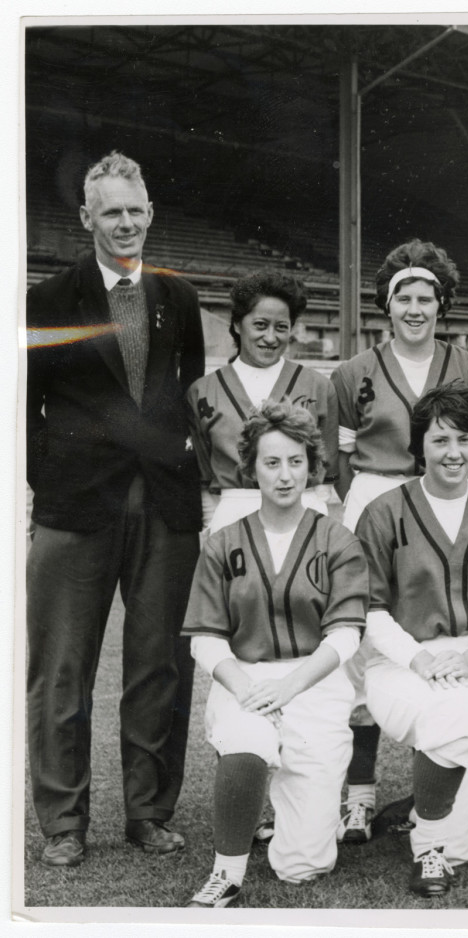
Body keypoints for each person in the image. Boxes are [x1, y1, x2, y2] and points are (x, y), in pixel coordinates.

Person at [25, 151, 203, 867]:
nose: (125, 223)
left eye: (136, 210)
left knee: (159, 665)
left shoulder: (180, 298)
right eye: (111, 212)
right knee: (62, 669)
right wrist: (53, 475)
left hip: (164, 506)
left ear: (150, 213)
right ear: (86, 219)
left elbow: (188, 394)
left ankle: (149, 813)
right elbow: (22, 407)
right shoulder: (47, 300)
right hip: (75, 509)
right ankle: (64, 823)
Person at [181, 402, 366, 907]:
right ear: (251, 468)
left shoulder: (338, 539)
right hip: (246, 677)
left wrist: (289, 688)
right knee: (246, 735)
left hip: (316, 683)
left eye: (295, 461)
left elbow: (346, 635)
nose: (285, 475)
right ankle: (226, 873)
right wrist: (248, 690)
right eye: (271, 462)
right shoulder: (223, 542)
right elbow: (205, 637)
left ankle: (288, 813)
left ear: (312, 465)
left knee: (304, 866)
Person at [357, 381, 468, 898]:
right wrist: (417, 659)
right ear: (419, 447)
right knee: (451, 723)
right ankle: (427, 848)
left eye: (463, 439)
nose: (453, 452)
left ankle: (427, 818)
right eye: (439, 441)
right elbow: (368, 608)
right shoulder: (384, 511)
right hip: (400, 664)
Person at [329, 238, 468, 843]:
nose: (415, 309)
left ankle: (432, 794)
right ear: (386, 307)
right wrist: (367, 495)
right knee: (365, 644)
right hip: (374, 497)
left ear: (441, 306)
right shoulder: (351, 372)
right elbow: (337, 456)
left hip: (441, 500)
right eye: (404, 298)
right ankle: (359, 798)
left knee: (439, 629)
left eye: (426, 298)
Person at [187, 270, 337, 534]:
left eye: (281, 327)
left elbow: (327, 473)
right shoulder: (203, 391)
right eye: (260, 325)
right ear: (236, 324)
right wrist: (214, 525)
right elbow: (203, 480)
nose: (270, 337)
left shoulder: (318, 386)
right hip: (234, 513)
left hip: (303, 511)